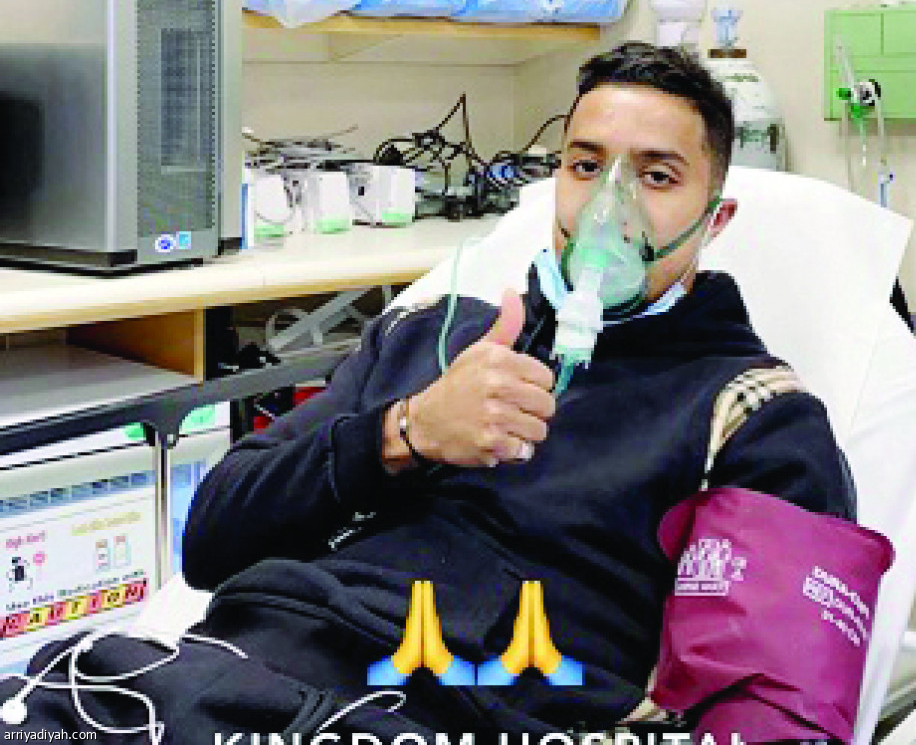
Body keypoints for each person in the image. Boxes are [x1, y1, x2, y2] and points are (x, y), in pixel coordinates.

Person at [0, 42, 862, 744]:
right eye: (586, 165)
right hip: (209, 681)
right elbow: (211, 541)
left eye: (658, 176)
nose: (611, 205)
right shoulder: (428, 338)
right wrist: (402, 433)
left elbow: (770, 710)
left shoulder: (752, 417)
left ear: (716, 220)